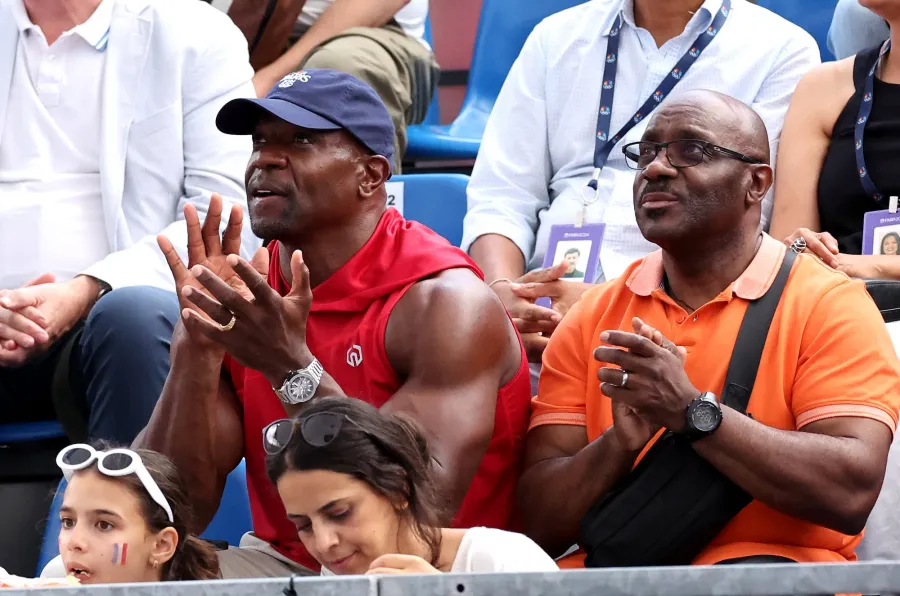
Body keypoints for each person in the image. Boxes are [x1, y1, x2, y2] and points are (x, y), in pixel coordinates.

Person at [136, 69, 531, 578]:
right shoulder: (244, 294)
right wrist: (196, 350)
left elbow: (412, 508)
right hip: (284, 560)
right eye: (260, 141)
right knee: (122, 571)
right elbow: (166, 514)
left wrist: (289, 365)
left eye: (300, 140)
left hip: (431, 568)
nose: (266, 159)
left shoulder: (445, 302)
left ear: (371, 174)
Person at [517, 90, 900, 567]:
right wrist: (617, 445)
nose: (655, 169)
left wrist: (692, 412)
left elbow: (850, 491)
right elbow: (534, 527)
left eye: (690, 151)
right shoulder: (593, 315)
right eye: (647, 152)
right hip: (615, 578)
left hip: (772, 579)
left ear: (756, 183)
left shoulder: (829, 304)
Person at [462, 0, 821, 369]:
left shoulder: (780, 48)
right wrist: (504, 295)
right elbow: (502, 197)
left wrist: (605, 306)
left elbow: (749, 221)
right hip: (541, 319)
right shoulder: (555, 38)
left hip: (690, 326)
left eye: (691, 150)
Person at [0, 0, 259, 443]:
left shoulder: (194, 33)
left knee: (133, 317)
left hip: (107, 322)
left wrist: (86, 289)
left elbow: (229, 220)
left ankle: (134, 509)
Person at [265, 397, 558, 575]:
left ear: (398, 489)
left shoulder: (502, 559)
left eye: (340, 513)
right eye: (303, 525)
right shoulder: (340, 573)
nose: (323, 542)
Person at [771, 2, 900, 279]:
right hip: (836, 306)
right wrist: (801, 248)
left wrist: (875, 267)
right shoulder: (822, 87)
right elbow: (787, 251)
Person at [250, 0, 438, 170]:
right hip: (252, 36)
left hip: (371, 30)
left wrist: (273, 76)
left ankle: (366, 205)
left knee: (337, 69)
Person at [41, 443, 219, 583]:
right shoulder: (52, 579)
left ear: (161, 545)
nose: (74, 542)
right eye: (68, 522)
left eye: (104, 525)